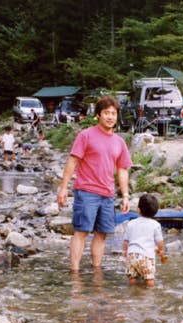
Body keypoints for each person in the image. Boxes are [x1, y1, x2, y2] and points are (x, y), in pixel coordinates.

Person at [56, 96, 132, 272]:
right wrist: (63, 188)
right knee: (81, 232)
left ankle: (96, 271)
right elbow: (72, 162)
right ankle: (74, 272)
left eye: (113, 113)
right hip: (86, 192)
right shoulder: (86, 135)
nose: (110, 117)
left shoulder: (119, 142)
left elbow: (122, 170)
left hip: (107, 194)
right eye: (106, 113)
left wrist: (126, 195)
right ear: (98, 115)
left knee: (102, 234)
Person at [122, 194, 164, 286]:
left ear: (138, 210)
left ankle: (133, 291)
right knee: (149, 278)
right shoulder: (155, 225)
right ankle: (149, 295)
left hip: (131, 255)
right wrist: (161, 250)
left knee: (132, 277)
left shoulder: (131, 223)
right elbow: (159, 241)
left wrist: (125, 251)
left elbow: (126, 241)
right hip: (146, 256)